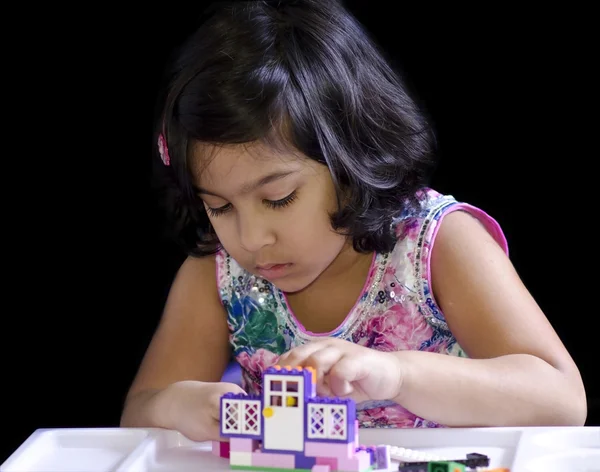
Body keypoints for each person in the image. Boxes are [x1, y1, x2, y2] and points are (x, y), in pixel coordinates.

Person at [120, 0, 587, 442]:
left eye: (279, 198)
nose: (252, 238)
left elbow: (561, 399)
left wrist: (398, 375)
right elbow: (137, 414)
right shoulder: (217, 274)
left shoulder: (435, 242)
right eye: (219, 207)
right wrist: (174, 407)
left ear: (350, 160)